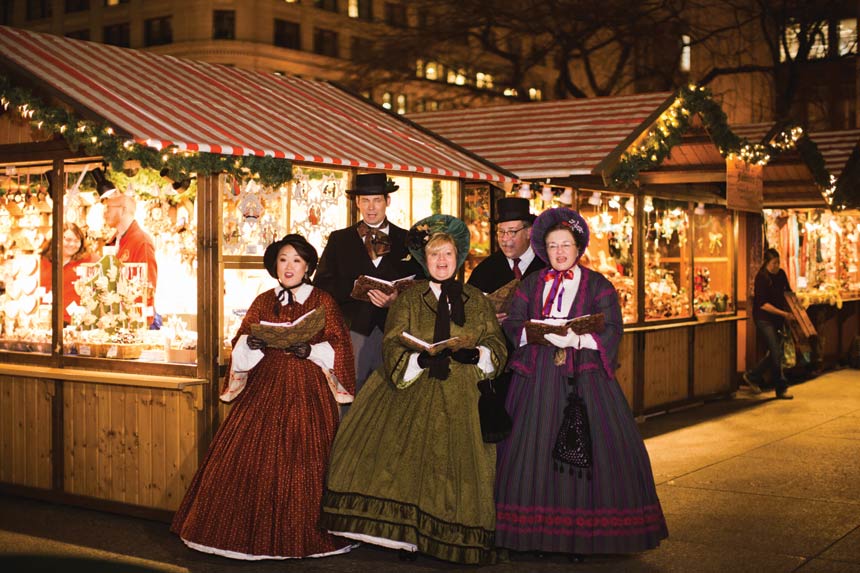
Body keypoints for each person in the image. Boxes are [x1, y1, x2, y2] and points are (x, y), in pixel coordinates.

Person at [319, 215, 507, 565]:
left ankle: (448, 537)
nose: (441, 261)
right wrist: (416, 361)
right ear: (425, 260)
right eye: (435, 255)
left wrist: (476, 354)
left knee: (453, 466)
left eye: (447, 255)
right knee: (397, 459)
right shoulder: (408, 299)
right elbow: (392, 341)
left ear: (458, 258)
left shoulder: (476, 301)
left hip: (461, 396)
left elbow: (497, 344)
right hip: (410, 391)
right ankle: (404, 537)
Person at [171, 234, 356, 560]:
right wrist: (250, 345)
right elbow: (241, 339)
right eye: (283, 259)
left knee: (304, 457)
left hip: (307, 389)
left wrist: (309, 349)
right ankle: (241, 534)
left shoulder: (323, 301)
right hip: (265, 384)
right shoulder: (262, 300)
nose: (289, 267)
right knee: (251, 453)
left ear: (308, 266)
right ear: (274, 264)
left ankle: (302, 534)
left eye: (297, 260)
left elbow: (340, 346)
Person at [495, 207, 668, 558]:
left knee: (590, 454)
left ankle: (584, 538)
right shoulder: (531, 284)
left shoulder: (599, 285)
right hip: (537, 380)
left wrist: (576, 339)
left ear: (578, 248)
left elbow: (613, 328)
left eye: (566, 245)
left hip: (585, 380)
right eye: (553, 245)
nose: (559, 252)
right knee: (532, 453)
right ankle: (534, 537)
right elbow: (513, 323)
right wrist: (536, 333)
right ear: (544, 249)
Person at [314, 173, 422, 396]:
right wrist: (354, 287)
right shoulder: (339, 239)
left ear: (387, 201)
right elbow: (321, 284)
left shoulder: (408, 240)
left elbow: (422, 287)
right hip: (353, 332)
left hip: (395, 333)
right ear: (357, 203)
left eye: (377, 200)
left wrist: (396, 300)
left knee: (393, 397)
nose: (371, 207)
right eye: (365, 200)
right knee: (349, 396)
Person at [467, 196, 545, 307]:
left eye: (512, 232)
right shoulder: (485, 270)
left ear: (529, 232)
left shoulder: (546, 266)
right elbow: (467, 309)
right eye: (501, 232)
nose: (505, 238)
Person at [743, 248, 796, 399]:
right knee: (776, 351)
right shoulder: (762, 278)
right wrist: (784, 314)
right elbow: (763, 304)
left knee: (775, 352)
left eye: (778, 262)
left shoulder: (781, 274)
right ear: (766, 263)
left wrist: (796, 306)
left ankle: (752, 376)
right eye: (774, 263)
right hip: (763, 318)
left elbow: (788, 292)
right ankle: (781, 388)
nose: (777, 265)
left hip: (778, 319)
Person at [102, 191, 159, 326]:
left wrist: (140, 322)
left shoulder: (141, 241)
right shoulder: (115, 240)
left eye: (108, 208)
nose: (104, 213)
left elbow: (148, 287)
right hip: (116, 320)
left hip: (134, 323)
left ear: (123, 210)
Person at [39, 222, 92, 324]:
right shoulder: (42, 261)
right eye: (67, 240)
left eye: (77, 241)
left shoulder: (89, 261)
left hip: (74, 322)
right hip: (44, 321)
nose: (72, 244)